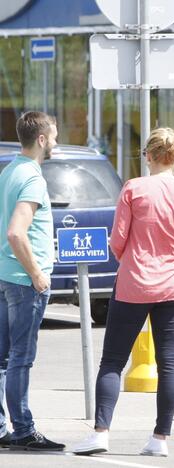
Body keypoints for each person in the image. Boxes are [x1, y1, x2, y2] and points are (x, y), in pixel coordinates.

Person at [72, 128, 174, 457]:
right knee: (169, 363)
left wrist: (133, 259)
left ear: (148, 155)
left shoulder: (134, 188)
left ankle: (101, 432)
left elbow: (117, 240)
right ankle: (160, 438)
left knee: (113, 361)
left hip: (133, 284)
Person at [0, 111, 65, 451]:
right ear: (41, 140)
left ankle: (1, 429)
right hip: (24, 282)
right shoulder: (32, 178)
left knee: (2, 360)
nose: (55, 142)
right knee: (20, 359)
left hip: (4, 276)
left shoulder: (8, 171)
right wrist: (36, 273)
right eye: (53, 137)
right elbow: (15, 232)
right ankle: (23, 430)